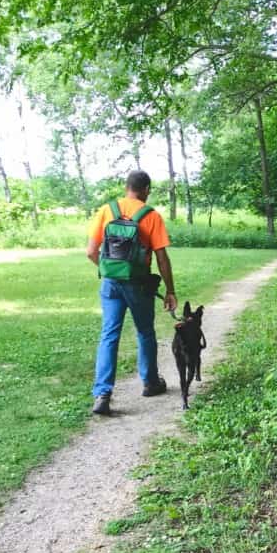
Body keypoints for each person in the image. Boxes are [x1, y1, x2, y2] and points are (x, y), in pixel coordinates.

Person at [86, 170, 178, 415]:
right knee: (145, 331)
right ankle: (150, 383)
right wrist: (170, 290)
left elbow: (91, 251)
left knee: (109, 335)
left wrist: (110, 270)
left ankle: (102, 394)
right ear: (146, 189)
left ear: (127, 187)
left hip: (111, 284)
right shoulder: (151, 216)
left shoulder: (107, 210)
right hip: (138, 284)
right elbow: (162, 259)